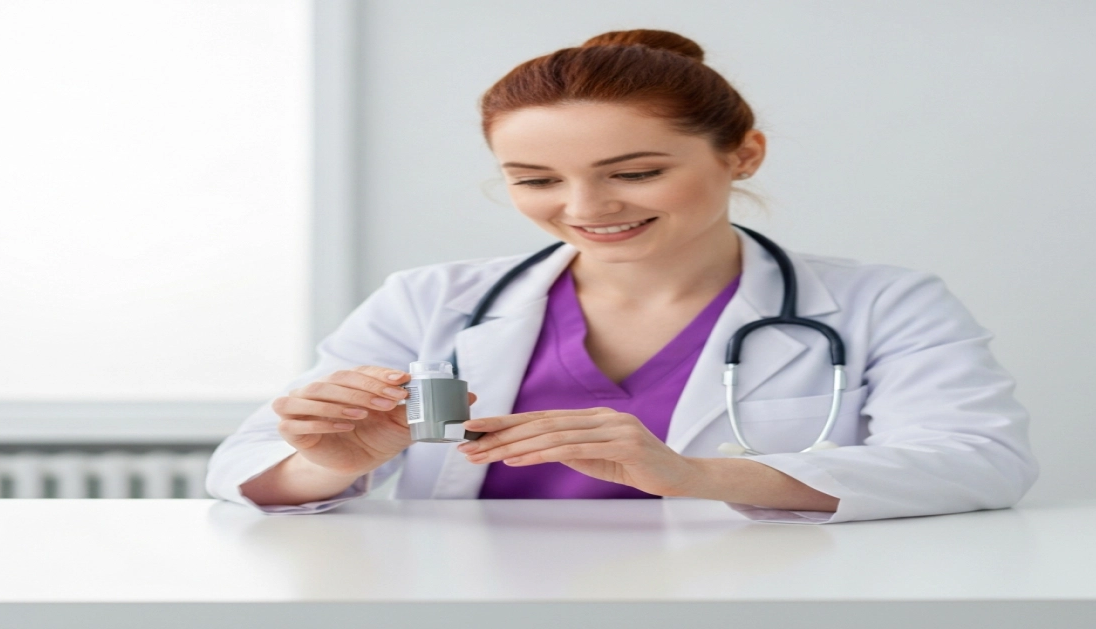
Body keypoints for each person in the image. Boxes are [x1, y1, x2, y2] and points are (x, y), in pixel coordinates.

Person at [206, 29, 1038, 523]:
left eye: (635, 171)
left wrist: (696, 477)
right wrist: (331, 460)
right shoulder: (432, 302)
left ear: (742, 153)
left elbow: (977, 461)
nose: (585, 206)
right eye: (535, 180)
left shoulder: (882, 304)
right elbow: (242, 466)